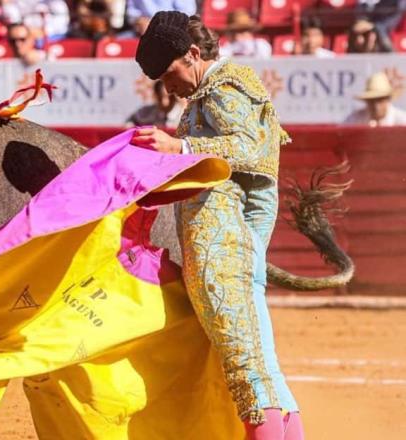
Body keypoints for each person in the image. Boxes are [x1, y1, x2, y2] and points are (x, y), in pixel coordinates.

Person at [132, 11, 303, 439]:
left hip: (227, 233)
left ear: (192, 53)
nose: (167, 88)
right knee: (260, 361)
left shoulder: (226, 84)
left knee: (245, 358)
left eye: (169, 74)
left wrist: (179, 146)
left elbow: (249, 146)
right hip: (229, 229)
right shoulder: (209, 91)